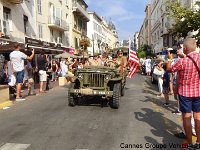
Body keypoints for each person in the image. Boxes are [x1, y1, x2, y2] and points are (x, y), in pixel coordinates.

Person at [166, 38, 200, 148]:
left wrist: (170, 59)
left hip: (185, 93)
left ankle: (189, 143)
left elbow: (169, 69)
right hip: (198, 92)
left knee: (186, 117)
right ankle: (199, 143)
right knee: (197, 116)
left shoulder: (183, 61)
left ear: (185, 48)